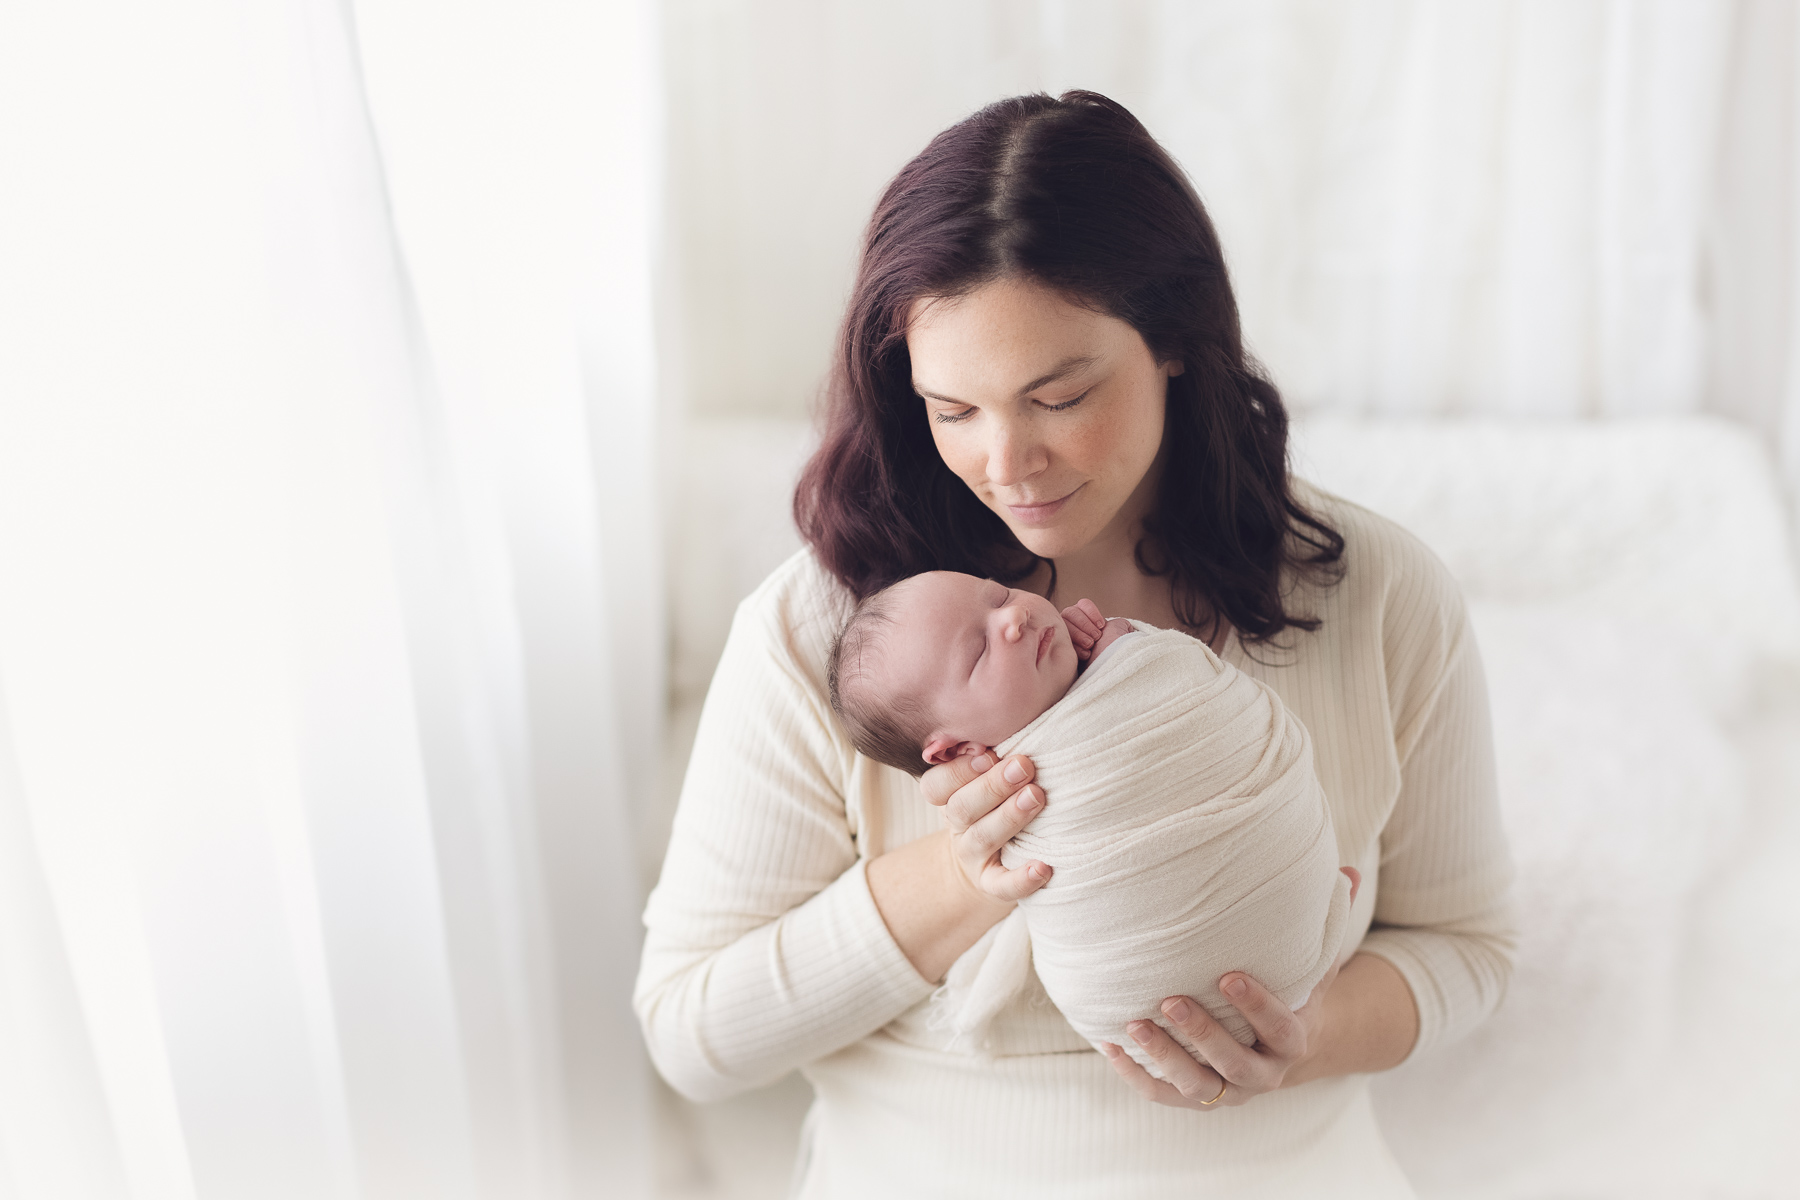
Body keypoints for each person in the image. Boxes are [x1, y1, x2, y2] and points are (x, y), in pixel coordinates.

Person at [635, 90, 1515, 1197]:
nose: (1008, 462)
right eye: (953, 410)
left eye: (1059, 396)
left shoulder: (1377, 594)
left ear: (1177, 346)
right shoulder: (829, 632)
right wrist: (969, 874)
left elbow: (1470, 948)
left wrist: (1304, 1036)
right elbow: (691, 1035)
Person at [826, 569, 1356, 1070]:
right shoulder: (1010, 794)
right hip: (1135, 1004)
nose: (1014, 620)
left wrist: (1121, 650)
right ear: (957, 750)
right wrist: (965, 869)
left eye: (1000, 595)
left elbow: (1171, 683)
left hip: (1291, 955)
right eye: (979, 652)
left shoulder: (1107, 654)